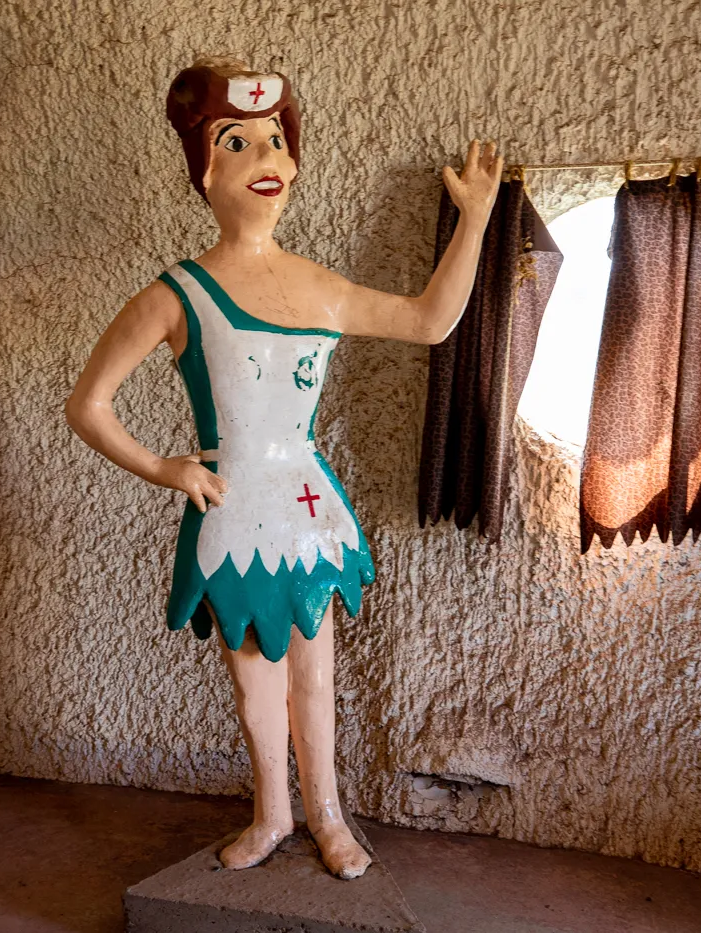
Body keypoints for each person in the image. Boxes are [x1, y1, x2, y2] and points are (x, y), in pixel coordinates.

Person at [66, 55, 502, 880]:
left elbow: (430, 320)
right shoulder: (178, 294)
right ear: (203, 170)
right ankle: (271, 814)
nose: (265, 160)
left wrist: (475, 219)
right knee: (253, 686)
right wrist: (165, 467)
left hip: (305, 505)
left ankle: (329, 816)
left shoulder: (322, 288)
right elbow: (88, 404)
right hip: (233, 509)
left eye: (274, 140)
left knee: (316, 673)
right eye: (237, 143)